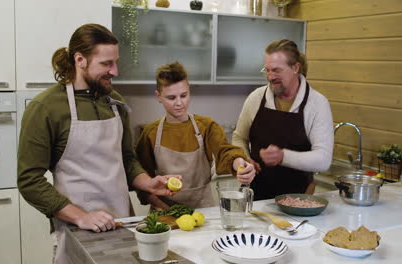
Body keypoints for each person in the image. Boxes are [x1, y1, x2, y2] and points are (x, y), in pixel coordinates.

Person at [17, 24, 181, 264]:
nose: (114, 71)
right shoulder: (46, 107)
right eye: (106, 64)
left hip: (123, 223)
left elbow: (126, 159)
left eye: (116, 62)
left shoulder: (115, 102)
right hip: (77, 229)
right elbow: (29, 179)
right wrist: (81, 217)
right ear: (80, 59)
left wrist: (149, 184)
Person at [135, 61, 256, 209]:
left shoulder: (207, 126)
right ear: (158, 96)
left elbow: (225, 152)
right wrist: (165, 210)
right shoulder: (150, 133)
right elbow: (143, 180)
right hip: (164, 213)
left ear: (189, 91)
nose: (179, 103)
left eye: (184, 95)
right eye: (171, 98)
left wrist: (240, 165)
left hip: (203, 210)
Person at [232, 39, 334, 200]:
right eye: (267, 70)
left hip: (298, 198)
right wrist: (245, 159)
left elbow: (323, 159)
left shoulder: (317, 104)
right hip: (255, 194)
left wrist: (282, 157)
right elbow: (239, 137)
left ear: (295, 67)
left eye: (276, 70)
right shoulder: (256, 98)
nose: (270, 77)